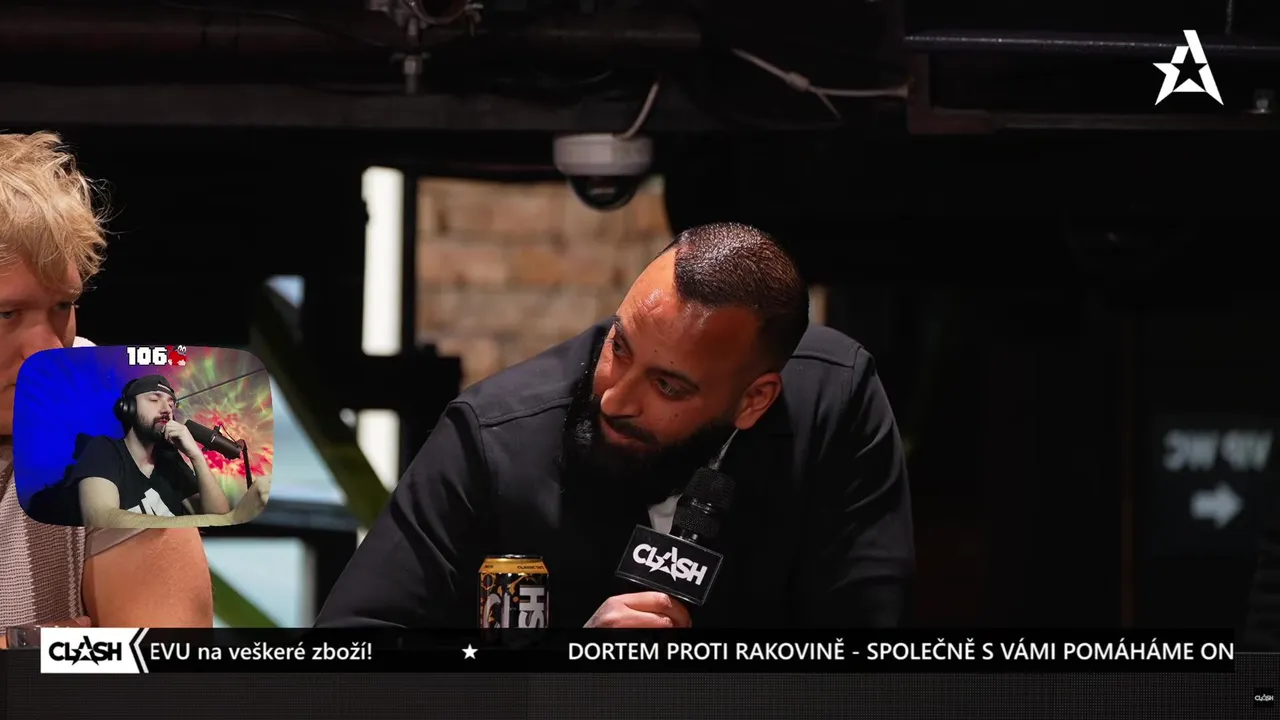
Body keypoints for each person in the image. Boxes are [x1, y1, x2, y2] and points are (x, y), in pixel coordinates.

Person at [315, 221, 914, 629]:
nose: (615, 399)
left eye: (668, 386)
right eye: (619, 347)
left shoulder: (834, 406)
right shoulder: (495, 438)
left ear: (753, 401)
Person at [0, 131, 214, 641]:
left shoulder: (110, 412)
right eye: (6, 314)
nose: (48, 352)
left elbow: (165, 665)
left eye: (63, 306)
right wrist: (24, 648)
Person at [70, 373, 261, 528]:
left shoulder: (170, 460)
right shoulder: (104, 449)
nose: (167, 410)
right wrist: (202, 522)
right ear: (128, 408)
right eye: (154, 400)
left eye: (171, 404)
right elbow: (100, 520)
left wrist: (196, 456)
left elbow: (219, 518)